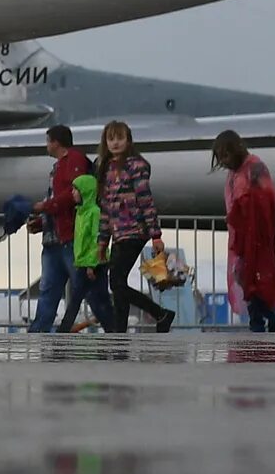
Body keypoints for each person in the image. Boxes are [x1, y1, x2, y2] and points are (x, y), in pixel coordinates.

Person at [93, 121, 174, 331]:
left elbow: (146, 201)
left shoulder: (136, 166)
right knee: (118, 285)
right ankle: (120, 334)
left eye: (120, 138)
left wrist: (156, 235)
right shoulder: (104, 167)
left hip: (136, 230)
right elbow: (104, 209)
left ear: (128, 140)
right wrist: (102, 242)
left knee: (117, 282)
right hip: (117, 232)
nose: (115, 143)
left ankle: (160, 313)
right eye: (111, 138)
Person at [210, 131, 275, 332]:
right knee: (246, 279)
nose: (224, 161)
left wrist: (244, 208)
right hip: (241, 235)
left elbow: (266, 197)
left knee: (254, 280)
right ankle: (267, 319)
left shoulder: (254, 167)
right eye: (220, 158)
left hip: (256, 234)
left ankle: (267, 319)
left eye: (226, 155)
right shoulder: (235, 172)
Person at [28, 124, 85, 332]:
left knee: (82, 287)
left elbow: (70, 195)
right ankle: (39, 330)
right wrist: (43, 221)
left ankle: (110, 324)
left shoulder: (73, 161)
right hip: (54, 238)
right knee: (49, 289)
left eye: (47, 141)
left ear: (55, 142)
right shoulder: (58, 166)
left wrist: (45, 207)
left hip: (67, 238)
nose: (46, 146)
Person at [68, 165, 109, 331]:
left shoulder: (94, 212)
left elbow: (96, 239)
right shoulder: (80, 212)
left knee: (78, 299)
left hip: (93, 263)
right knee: (100, 300)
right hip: (84, 262)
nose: (72, 193)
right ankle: (112, 329)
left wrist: (92, 264)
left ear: (85, 191)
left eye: (75, 189)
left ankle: (62, 332)